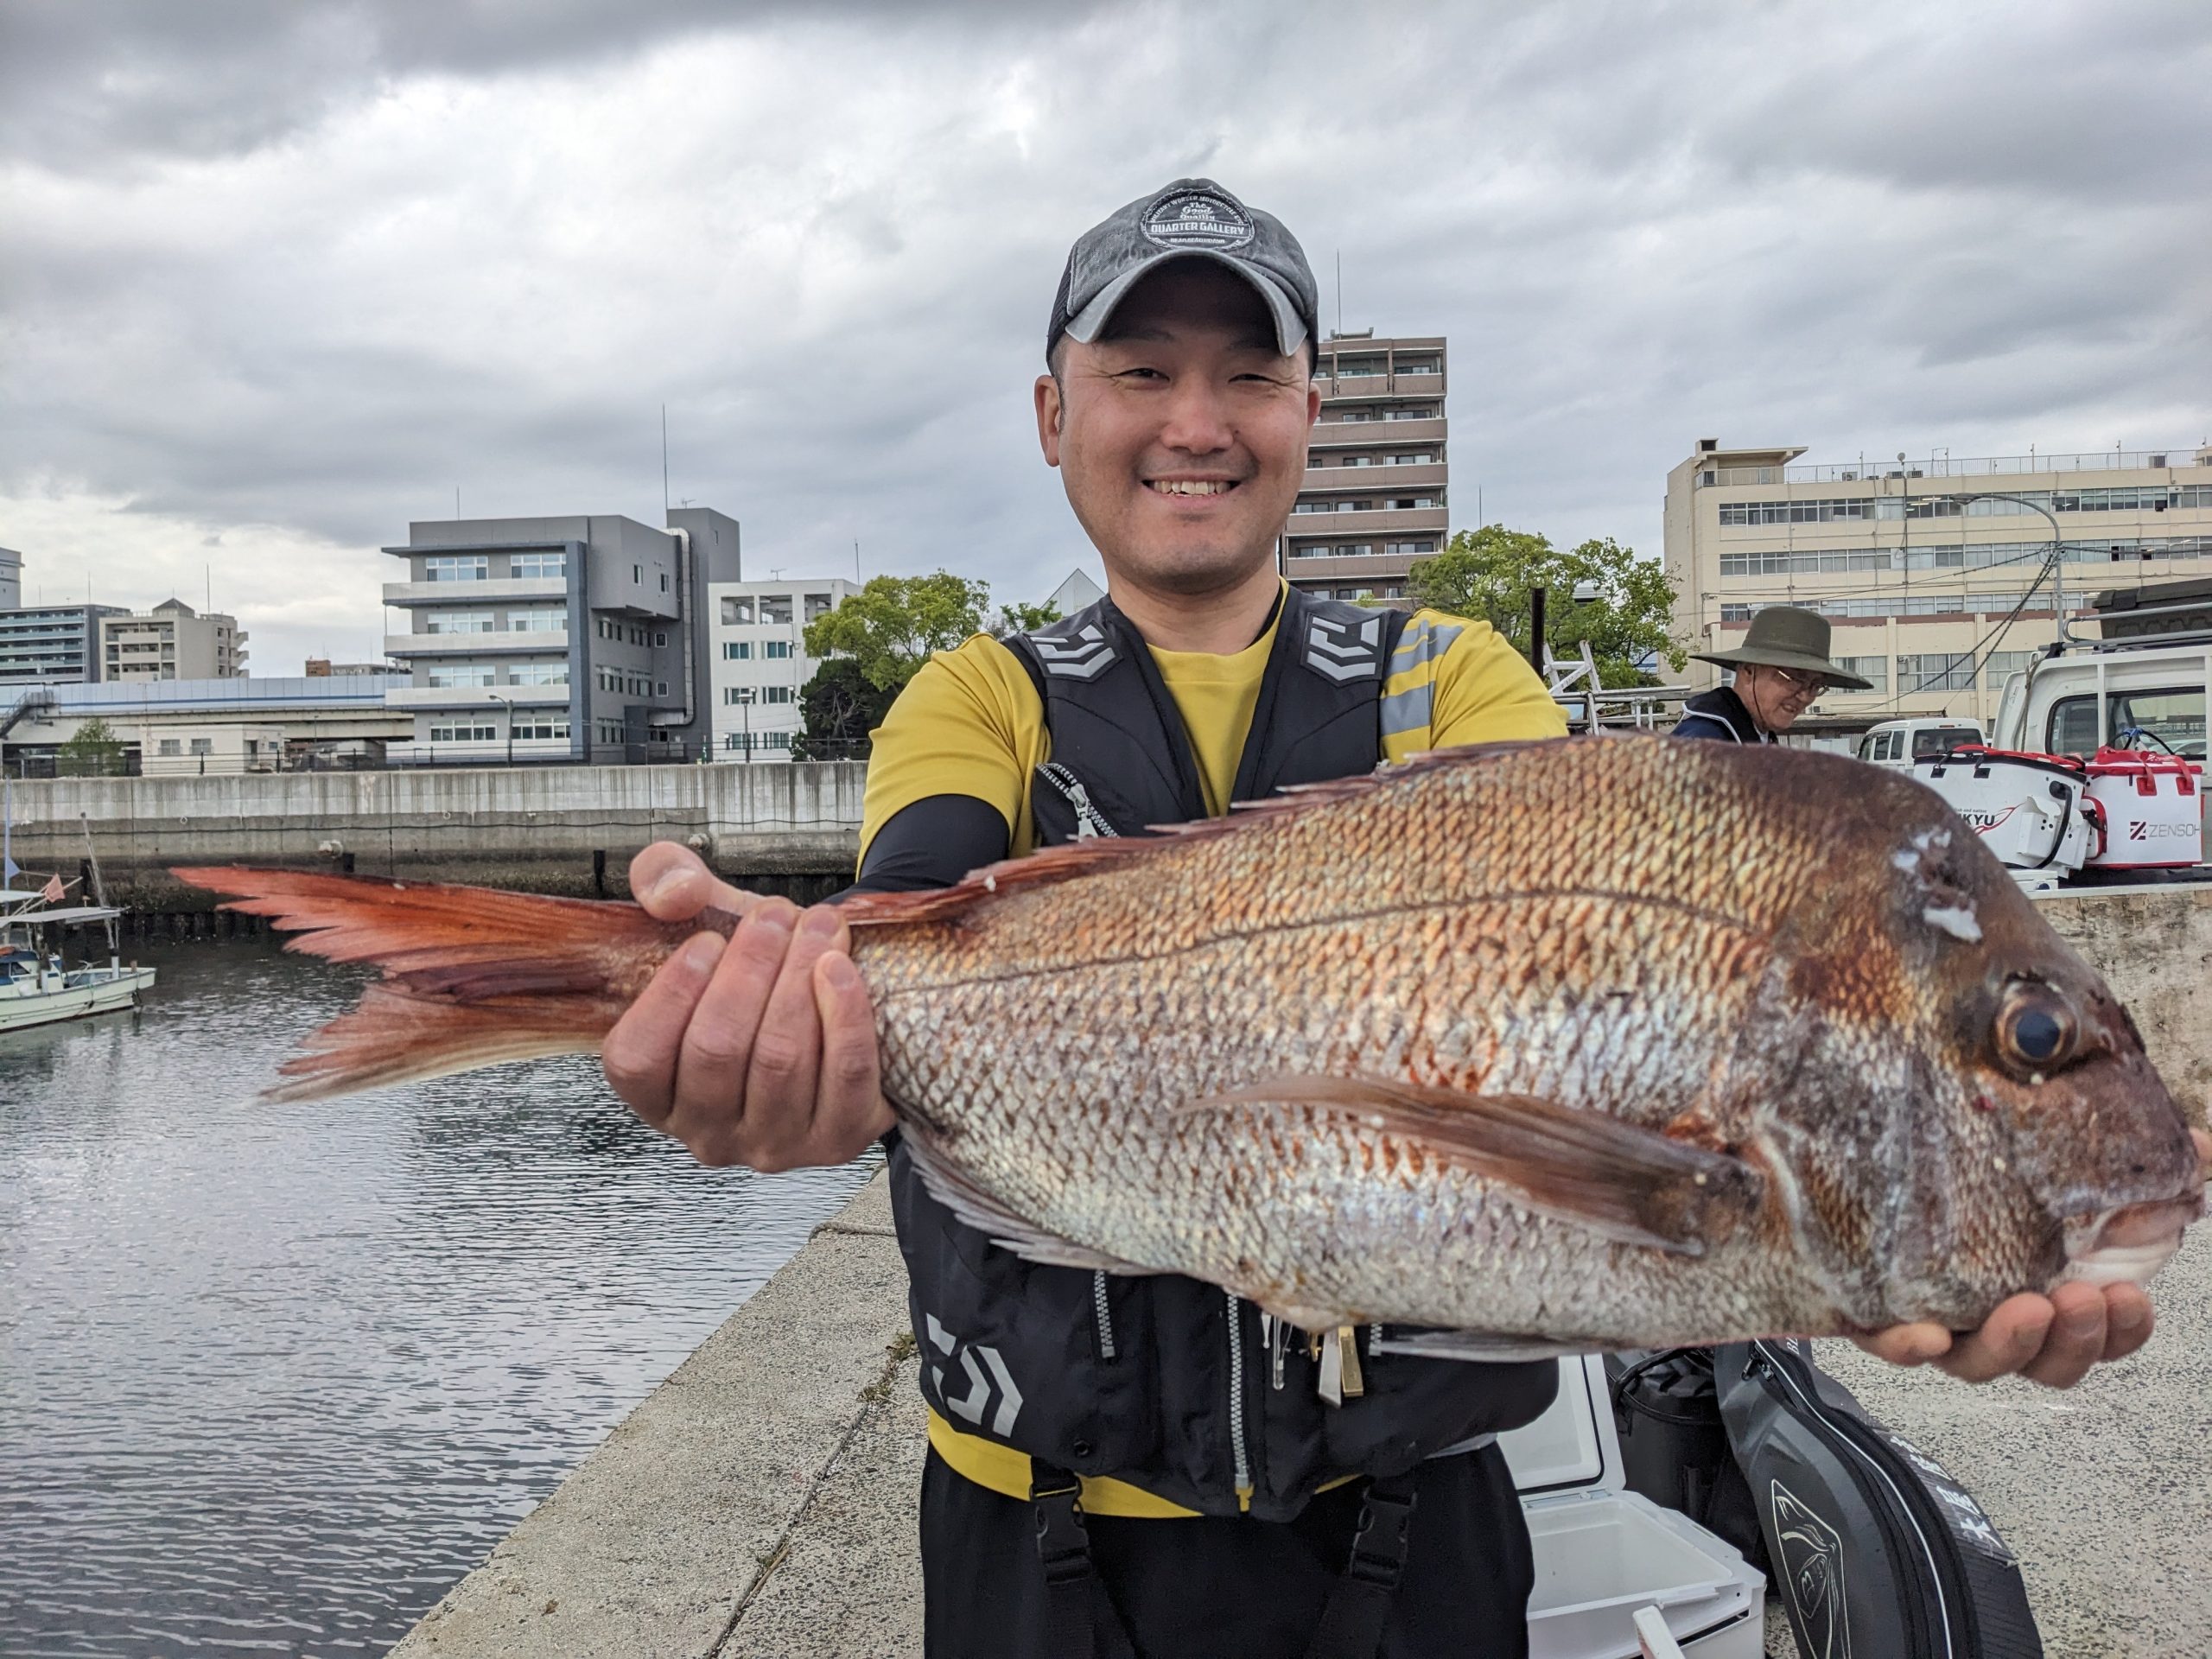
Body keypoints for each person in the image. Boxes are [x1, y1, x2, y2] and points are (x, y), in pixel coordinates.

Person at [600, 181, 2186, 1657]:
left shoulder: (1455, 680)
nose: (1197, 424)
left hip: (1413, 1540)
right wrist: (782, 1032)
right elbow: (904, 933)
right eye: (1143, 369)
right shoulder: (978, 695)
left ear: (1309, 414)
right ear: (1052, 412)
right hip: (1039, 1539)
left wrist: (1845, 1240)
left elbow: (1608, 1003)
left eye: (1250, 377)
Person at [1673, 605, 1869, 742]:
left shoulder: (1750, 737)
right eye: (1795, 679)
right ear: (1749, 671)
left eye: (1815, 686)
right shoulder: (1705, 745)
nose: (1805, 696)